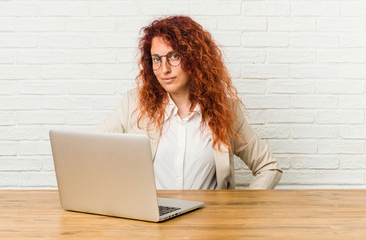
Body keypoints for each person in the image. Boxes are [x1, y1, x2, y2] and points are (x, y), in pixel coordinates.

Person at [95, 15, 282, 190]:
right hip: (152, 221)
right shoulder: (133, 104)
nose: (164, 69)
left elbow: (268, 168)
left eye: (174, 56)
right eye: (157, 59)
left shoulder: (225, 110)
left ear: (194, 58)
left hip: (209, 222)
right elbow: (91, 150)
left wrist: (238, 210)